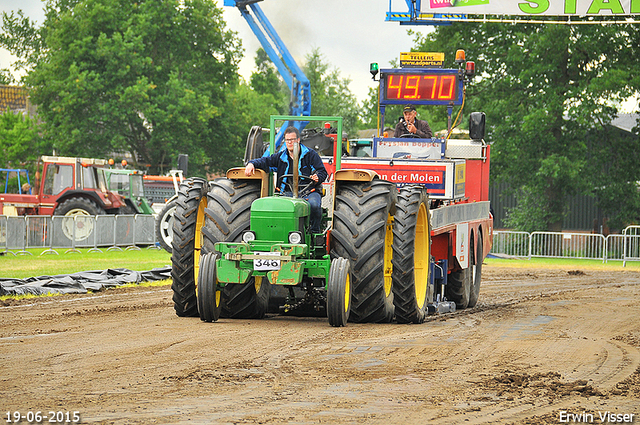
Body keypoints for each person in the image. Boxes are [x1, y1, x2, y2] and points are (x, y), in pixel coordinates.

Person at [245, 126, 328, 233]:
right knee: (273, 207)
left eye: (292, 140)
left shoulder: (311, 155)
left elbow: (322, 172)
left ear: (298, 140)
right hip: (285, 193)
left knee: (315, 205)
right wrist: (251, 164)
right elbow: (265, 161)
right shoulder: (280, 157)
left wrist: (317, 177)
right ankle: (276, 233)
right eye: (287, 140)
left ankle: (314, 233)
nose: (289, 142)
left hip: (308, 192)